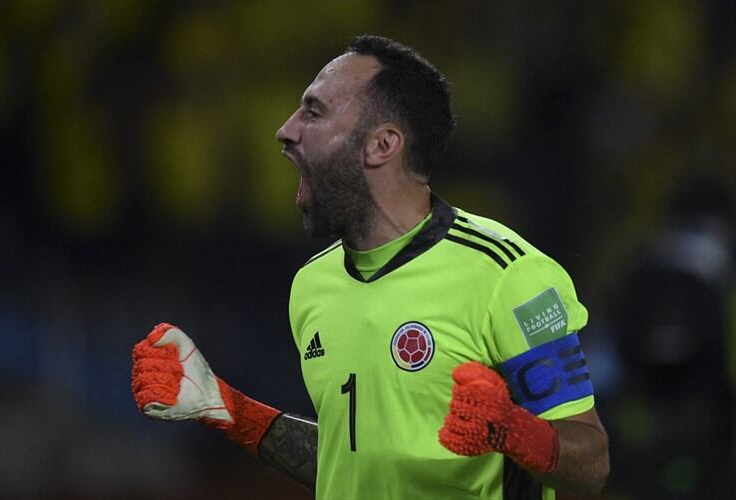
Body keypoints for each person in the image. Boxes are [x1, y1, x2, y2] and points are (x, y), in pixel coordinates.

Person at [131, 35, 609, 499]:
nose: (285, 129)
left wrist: (514, 431)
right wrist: (228, 409)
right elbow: (352, 464)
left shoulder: (507, 275)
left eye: (313, 112)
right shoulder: (312, 285)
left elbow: (592, 465)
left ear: (382, 146)